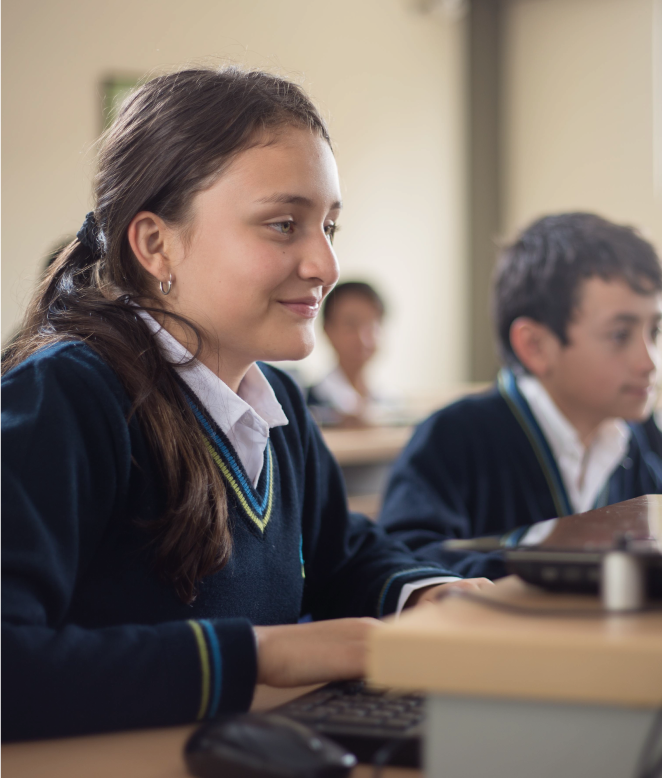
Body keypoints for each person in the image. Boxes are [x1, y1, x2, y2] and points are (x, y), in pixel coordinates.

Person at [0, 66, 490, 743]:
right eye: (284, 224)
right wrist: (269, 652)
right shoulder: (64, 398)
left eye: (330, 228)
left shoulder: (275, 401)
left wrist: (426, 595)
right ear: (156, 244)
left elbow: (339, 556)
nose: (325, 264)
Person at [378, 212, 662, 579]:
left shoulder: (642, 433)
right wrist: (548, 571)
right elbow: (406, 557)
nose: (649, 362)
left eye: (655, 331)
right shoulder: (453, 436)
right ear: (535, 346)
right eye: (620, 335)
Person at [307, 281, 390, 426]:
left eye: (371, 325)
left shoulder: (392, 403)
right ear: (327, 330)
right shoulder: (307, 406)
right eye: (351, 324)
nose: (363, 338)